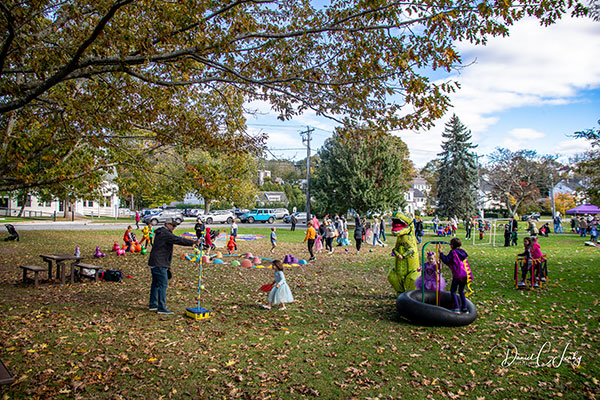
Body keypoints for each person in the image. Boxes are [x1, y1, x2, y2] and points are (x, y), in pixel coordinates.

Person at [148, 218, 199, 314]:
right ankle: (161, 307)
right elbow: (178, 240)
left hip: (155, 261)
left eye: (176, 226)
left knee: (155, 284)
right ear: (167, 224)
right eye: (173, 225)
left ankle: (153, 304)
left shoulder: (161, 232)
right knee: (163, 284)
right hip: (159, 262)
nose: (174, 227)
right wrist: (193, 242)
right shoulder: (165, 234)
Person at [439, 238, 470, 314]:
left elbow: (446, 260)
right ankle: (464, 308)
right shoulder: (462, 252)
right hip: (465, 274)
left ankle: (456, 307)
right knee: (461, 291)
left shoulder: (453, 252)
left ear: (452, 245)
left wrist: (441, 253)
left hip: (457, 275)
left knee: (453, 291)